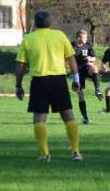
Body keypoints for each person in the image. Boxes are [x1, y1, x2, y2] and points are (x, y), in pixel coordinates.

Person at [15, 10, 82, 162]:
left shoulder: (28, 39)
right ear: (50, 23)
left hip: (39, 81)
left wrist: (18, 85)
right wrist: (76, 79)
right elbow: (71, 59)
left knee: (39, 118)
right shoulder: (59, 35)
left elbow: (20, 65)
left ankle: (45, 154)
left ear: (35, 23)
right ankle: (76, 152)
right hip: (59, 80)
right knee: (68, 115)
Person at [71, 29, 101, 124]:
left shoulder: (88, 44)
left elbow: (94, 57)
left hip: (86, 67)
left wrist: (90, 58)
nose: (86, 39)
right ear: (79, 38)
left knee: (94, 68)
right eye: (84, 37)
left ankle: (97, 90)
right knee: (81, 95)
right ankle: (85, 117)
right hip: (77, 72)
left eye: (86, 37)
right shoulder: (72, 46)